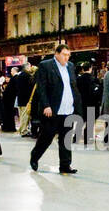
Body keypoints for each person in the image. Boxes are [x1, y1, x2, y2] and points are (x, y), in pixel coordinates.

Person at [29, 43, 81, 174]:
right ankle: (35, 156)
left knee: (66, 138)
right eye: (64, 55)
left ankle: (65, 165)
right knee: (47, 136)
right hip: (53, 109)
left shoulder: (70, 66)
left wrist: (77, 105)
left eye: (68, 55)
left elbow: (73, 86)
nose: (66, 58)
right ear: (56, 54)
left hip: (68, 108)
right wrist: (46, 105)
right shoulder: (46, 65)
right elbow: (41, 87)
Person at [15, 60, 36, 137]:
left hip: (20, 98)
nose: (30, 68)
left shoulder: (19, 75)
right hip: (26, 99)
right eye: (29, 66)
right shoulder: (27, 76)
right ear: (27, 67)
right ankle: (24, 131)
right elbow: (30, 88)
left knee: (21, 116)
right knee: (25, 116)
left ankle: (22, 130)